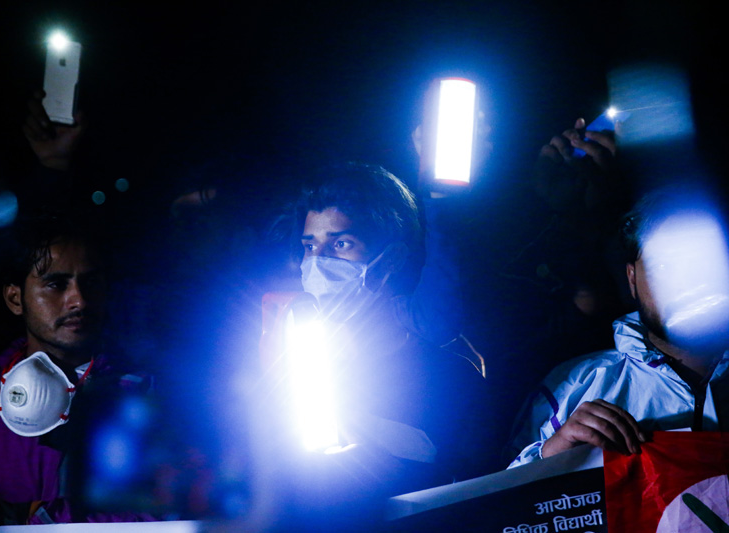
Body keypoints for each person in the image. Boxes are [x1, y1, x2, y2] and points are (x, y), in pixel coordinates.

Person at [265, 162, 492, 493]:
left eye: (341, 244)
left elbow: (483, 495)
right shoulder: (293, 363)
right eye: (310, 246)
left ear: (391, 260)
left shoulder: (451, 377)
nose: (317, 261)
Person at [0, 215, 156, 528]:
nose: (79, 300)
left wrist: (25, 517)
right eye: (56, 284)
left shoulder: (148, 397)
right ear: (15, 298)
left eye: (90, 282)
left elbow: (168, 509)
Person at [507, 187, 729, 468]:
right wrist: (554, 453)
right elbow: (500, 498)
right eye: (662, 265)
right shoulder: (575, 385)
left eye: (701, 262)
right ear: (632, 277)